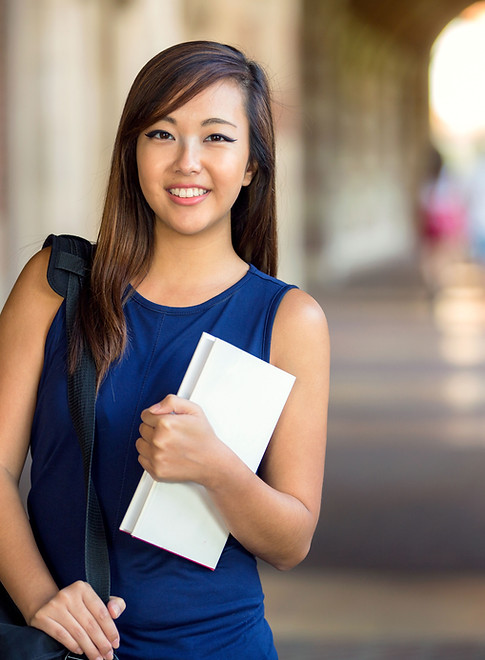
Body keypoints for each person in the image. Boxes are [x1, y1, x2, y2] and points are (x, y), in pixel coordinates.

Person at [0, 41, 329, 659]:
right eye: (161, 133)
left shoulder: (289, 320)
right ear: (132, 152)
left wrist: (216, 467)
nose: (187, 162)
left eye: (216, 138)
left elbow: (293, 541)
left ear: (253, 165)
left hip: (219, 645)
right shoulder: (55, 284)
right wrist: (41, 600)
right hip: (63, 645)